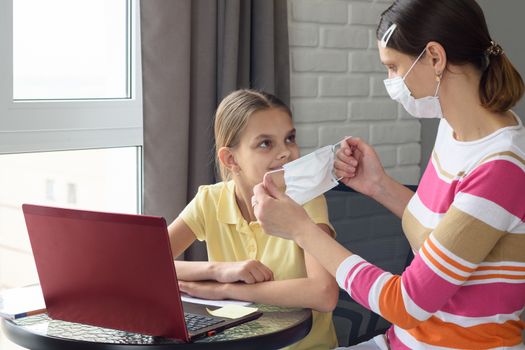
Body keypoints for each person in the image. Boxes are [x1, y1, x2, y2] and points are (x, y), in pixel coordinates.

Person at [252, 0, 525, 349]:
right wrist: (378, 185)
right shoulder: (455, 129)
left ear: (435, 58)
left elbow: (407, 304)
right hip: (405, 341)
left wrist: (302, 230)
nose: (391, 81)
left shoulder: (501, 169)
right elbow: (444, 235)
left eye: (394, 67)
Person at [167, 89, 339, 349]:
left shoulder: (307, 200)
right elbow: (145, 267)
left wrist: (226, 289)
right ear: (230, 159)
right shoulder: (209, 201)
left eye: (289, 139)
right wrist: (220, 271)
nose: (286, 153)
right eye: (265, 143)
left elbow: (324, 293)